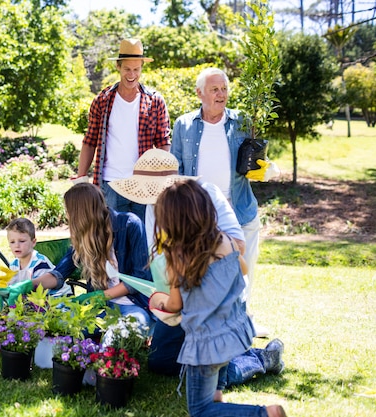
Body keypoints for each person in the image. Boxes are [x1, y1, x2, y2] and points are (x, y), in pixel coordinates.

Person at [109, 149, 285, 393]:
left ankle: (260, 359)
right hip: (180, 303)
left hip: (215, 304)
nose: (151, 197)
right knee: (160, 363)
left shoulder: (206, 195)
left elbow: (239, 248)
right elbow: (162, 262)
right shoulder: (151, 209)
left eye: (153, 189)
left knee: (205, 373)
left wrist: (193, 251)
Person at [152, 179, 287, 417]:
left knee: (200, 410)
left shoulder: (178, 257)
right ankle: (219, 403)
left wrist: (159, 302)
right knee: (214, 391)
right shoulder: (224, 240)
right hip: (232, 331)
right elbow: (242, 269)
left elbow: (175, 305)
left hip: (206, 344)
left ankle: (266, 414)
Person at [171, 67, 277, 337]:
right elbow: (177, 170)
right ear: (199, 93)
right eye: (214, 89)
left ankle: (243, 321)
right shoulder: (184, 124)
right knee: (201, 268)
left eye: (224, 89)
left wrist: (266, 169)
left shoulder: (241, 120)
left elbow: (256, 159)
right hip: (200, 212)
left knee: (244, 269)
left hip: (238, 206)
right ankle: (201, 322)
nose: (221, 94)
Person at [73, 38, 171, 223]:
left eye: (136, 69)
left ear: (142, 68)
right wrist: (80, 177)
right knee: (114, 241)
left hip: (142, 184)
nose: (132, 74)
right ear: (118, 67)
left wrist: (163, 179)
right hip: (111, 184)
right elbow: (90, 141)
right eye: (127, 69)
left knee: (141, 240)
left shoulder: (155, 101)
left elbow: (164, 142)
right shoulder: (102, 100)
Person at [31, 182, 153, 329]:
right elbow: (58, 274)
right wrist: (27, 285)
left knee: (125, 331)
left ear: (80, 213)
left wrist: (102, 296)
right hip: (101, 310)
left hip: (133, 306)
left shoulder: (129, 224)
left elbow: (139, 278)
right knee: (56, 325)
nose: (67, 216)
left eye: (68, 210)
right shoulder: (84, 237)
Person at [1, 217, 71, 297]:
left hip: (58, 297)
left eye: (22, 241)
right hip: (36, 300)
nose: (17, 245)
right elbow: (13, 286)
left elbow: (40, 288)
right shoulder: (14, 264)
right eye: (12, 242)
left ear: (33, 242)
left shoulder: (40, 262)